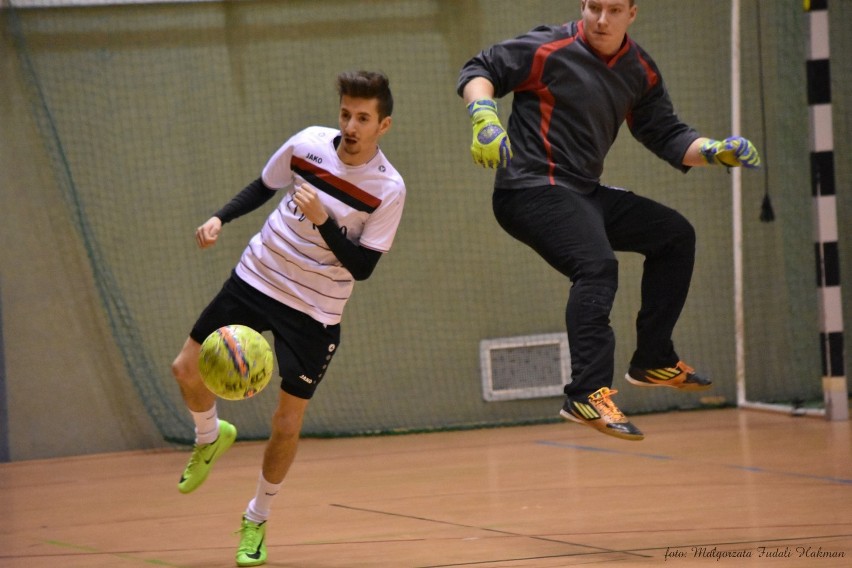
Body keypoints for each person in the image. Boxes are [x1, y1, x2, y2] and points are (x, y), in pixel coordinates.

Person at [457, 0, 760, 442]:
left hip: (582, 191)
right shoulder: (548, 47)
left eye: (613, 9)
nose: (601, 18)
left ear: (632, 14)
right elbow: (480, 69)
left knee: (674, 236)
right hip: (529, 187)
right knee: (596, 267)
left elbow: (668, 135)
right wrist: (483, 115)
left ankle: (653, 359)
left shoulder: (638, 69)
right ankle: (586, 394)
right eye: (593, 6)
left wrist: (714, 150)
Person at [170, 70, 405, 567]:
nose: (351, 126)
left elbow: (363, 267)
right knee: (186, 370)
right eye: (346, 113)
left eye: (363, 118)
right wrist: (220, 218)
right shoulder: (308, 144)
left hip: (315, 310)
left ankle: (256, 519)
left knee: (286, 422)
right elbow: (264, 184)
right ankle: (210, 437)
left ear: (383, 125)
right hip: (257, 276)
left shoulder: (388, 189)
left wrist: (324, 221)